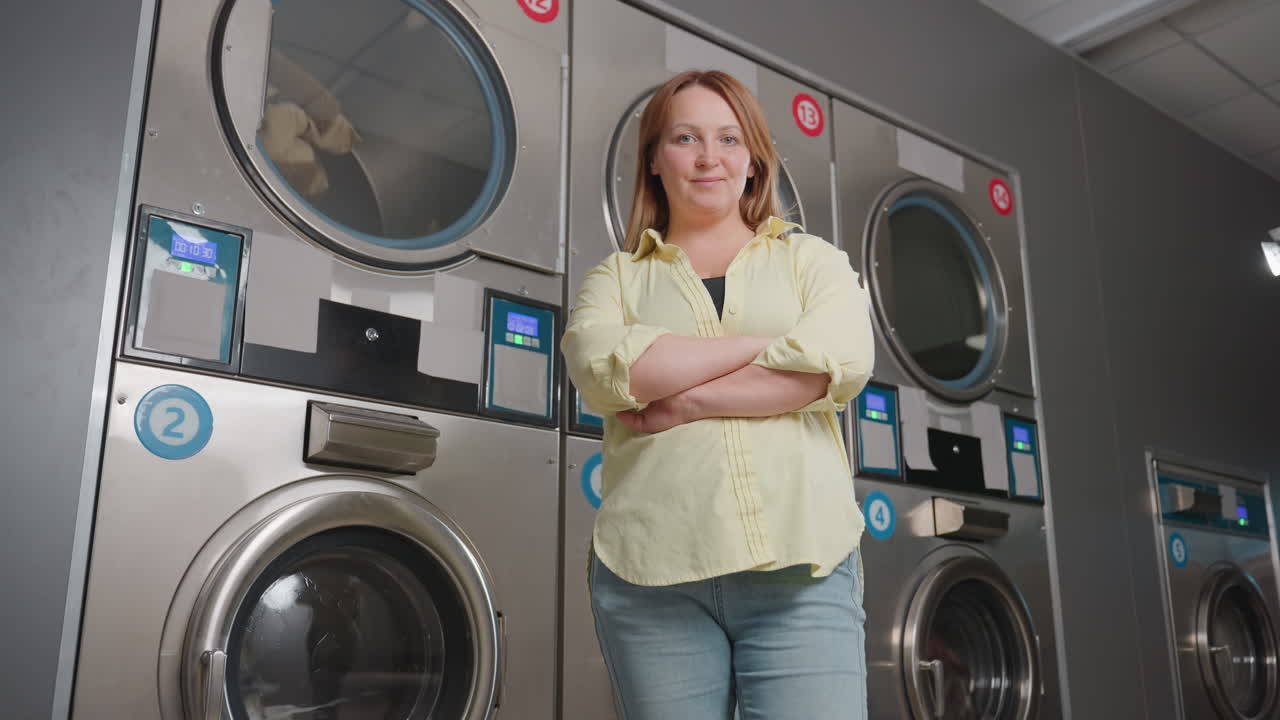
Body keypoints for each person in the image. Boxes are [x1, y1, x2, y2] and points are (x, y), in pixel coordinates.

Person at [560, 69, 876, 719]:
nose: (710, 157)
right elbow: (601, 370)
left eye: (730, 138)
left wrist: (688, 397)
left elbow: (840, 359)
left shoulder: (810, 261)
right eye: (686, 137)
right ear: (653, 159)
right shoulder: (614, 279)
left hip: (802, 569)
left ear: (755, 161)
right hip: (652, 579)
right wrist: (764, 348)